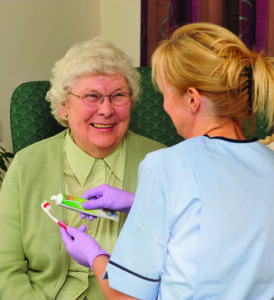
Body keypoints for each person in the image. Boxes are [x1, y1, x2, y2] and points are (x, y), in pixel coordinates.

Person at [60, 22, 274, 299]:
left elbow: (126, 296)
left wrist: (93, 255)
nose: (165, 106)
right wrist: (138, 202)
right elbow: (226, 220)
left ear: (192, 99)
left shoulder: (167, 165)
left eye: (165, 94)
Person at [0, 37, 165, 300]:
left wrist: (144, 205)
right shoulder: (26, 165)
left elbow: (181, 265)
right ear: (64, 106)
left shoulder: (163, 163)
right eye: (92, 96)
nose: (107, 109)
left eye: (118, 96)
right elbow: (5, 269)